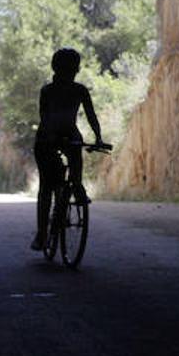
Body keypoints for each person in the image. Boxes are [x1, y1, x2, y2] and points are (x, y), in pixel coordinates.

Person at [31, 47, 105, 251]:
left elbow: (90, 115)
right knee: (48, 185)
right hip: (48, 137)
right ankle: (43, 233)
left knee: (71, 154)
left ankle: (77, 185)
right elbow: (46, 118)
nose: (72, 72)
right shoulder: (56, 90)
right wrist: (97, 137)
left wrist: (98, 137)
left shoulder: (67, 90)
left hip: (61, 135)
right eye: (70, 69)